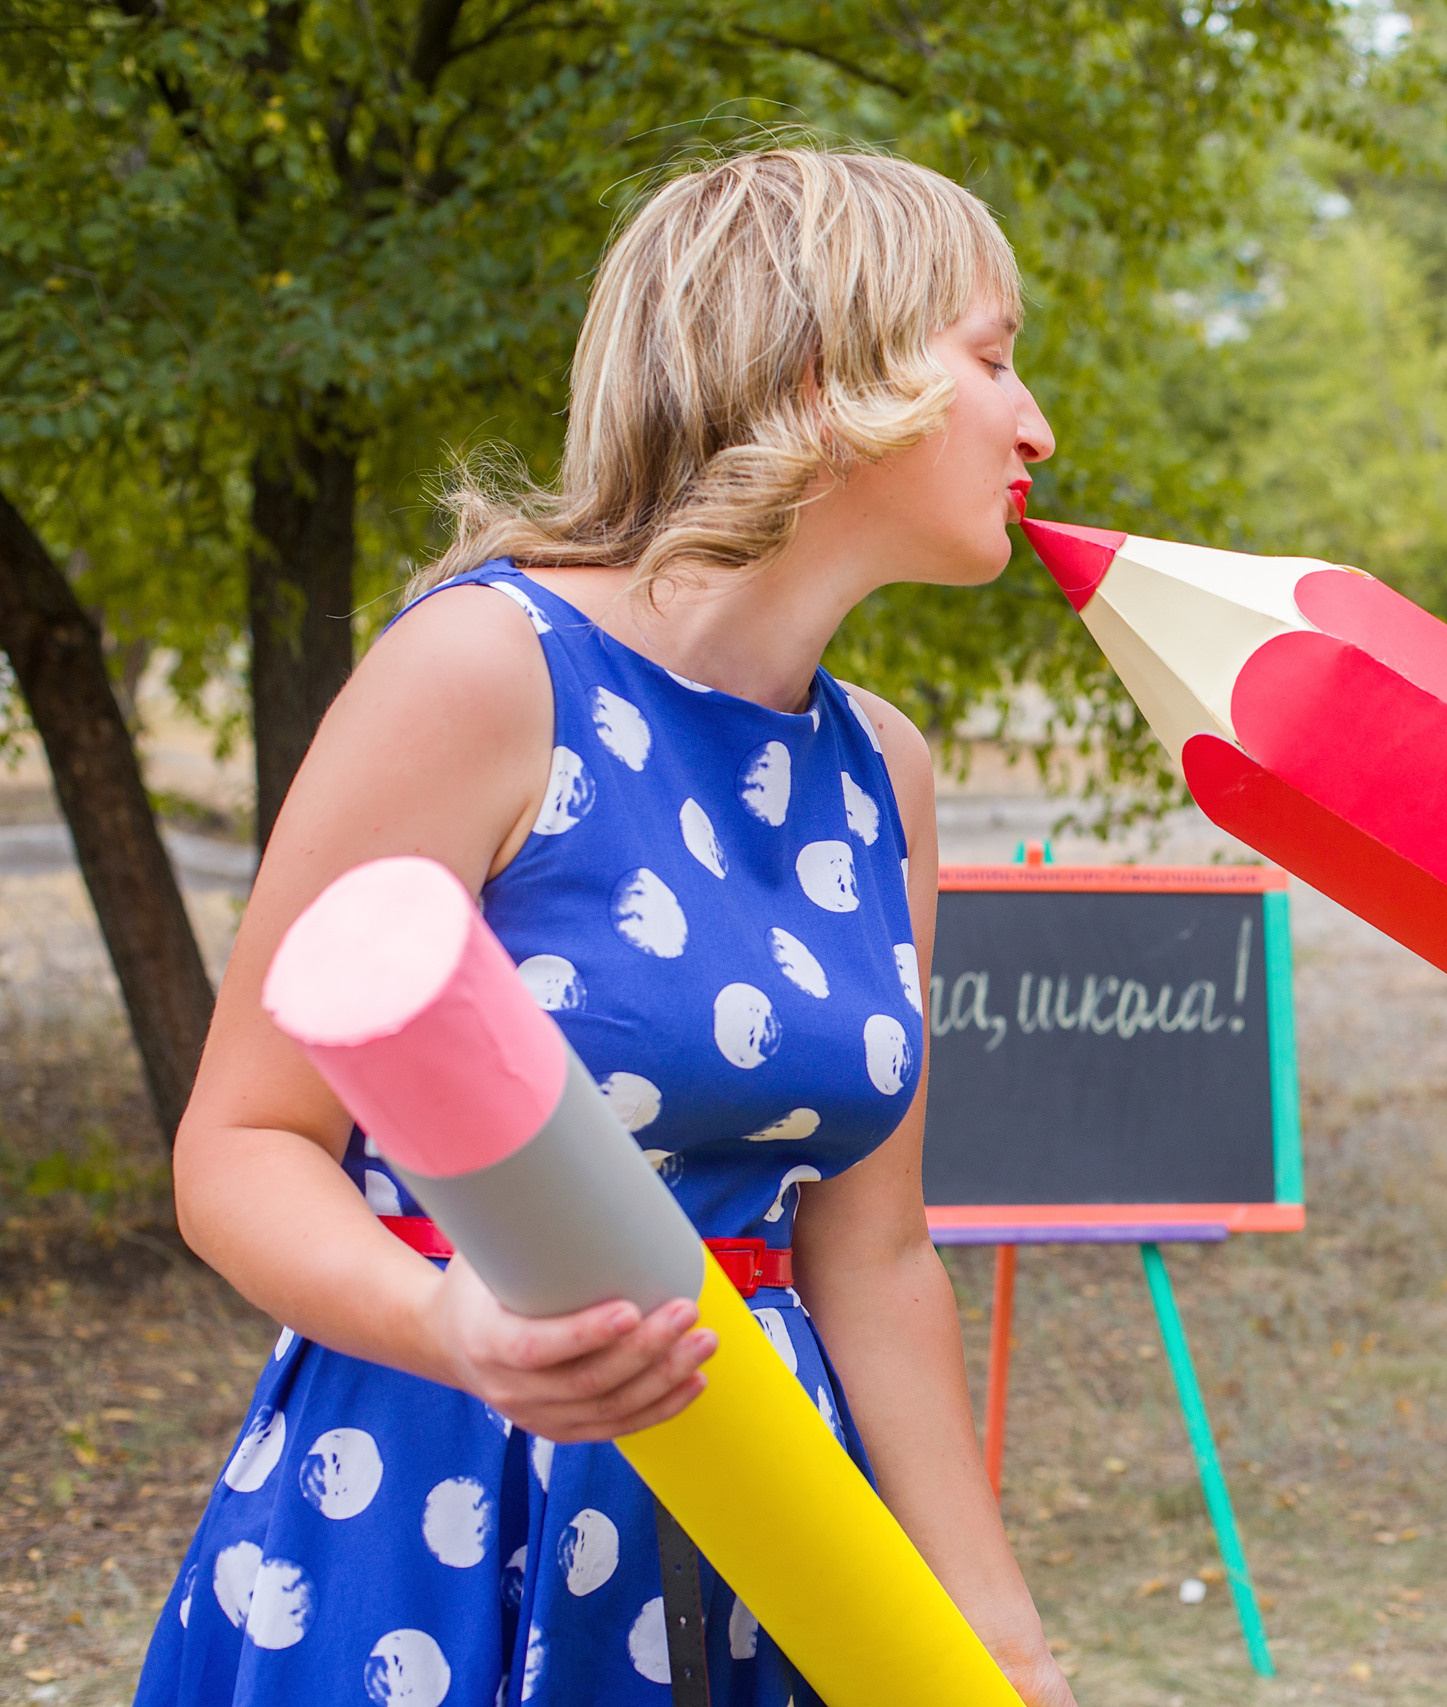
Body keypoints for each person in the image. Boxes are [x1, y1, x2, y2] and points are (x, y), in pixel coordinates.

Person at [138, 149, 1075, 1706]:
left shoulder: (884, 772)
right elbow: (239, 1145)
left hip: (777, 1532)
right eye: (991, 356)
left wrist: (1000, 1639)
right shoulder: (487, 670)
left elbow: (873, 1245)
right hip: (442, 1509)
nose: (1034, 421)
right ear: (819, 370)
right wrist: (446, 1317)